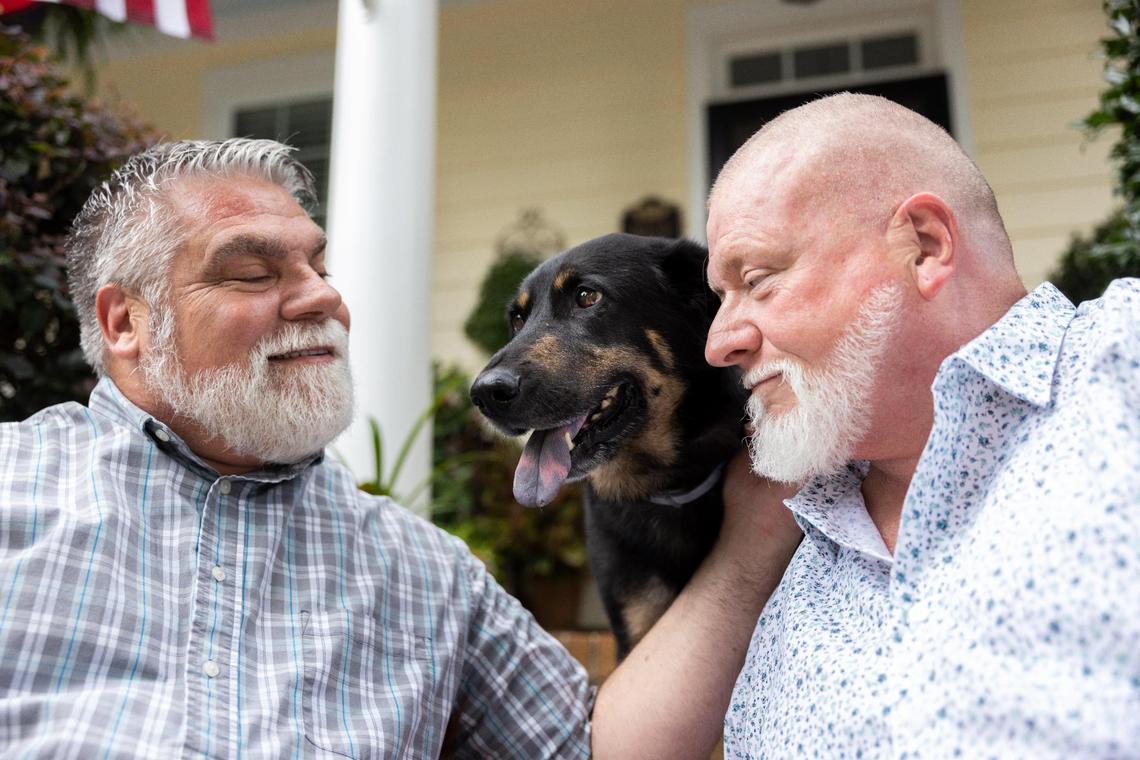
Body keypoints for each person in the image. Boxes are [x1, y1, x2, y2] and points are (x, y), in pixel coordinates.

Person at [0, 138, 800, 759]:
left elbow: (607, 750)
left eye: (319, 263)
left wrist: (751, 539)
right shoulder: (15, 485)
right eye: (250, 272)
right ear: (124, 324)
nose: (322, 296)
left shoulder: (429, 574)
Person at [701, 93, 1140, 757]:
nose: (718, 342)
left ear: (926, 246)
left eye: (758, 280)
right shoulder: (799, 552)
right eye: (720, 297)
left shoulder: (1123, 368)